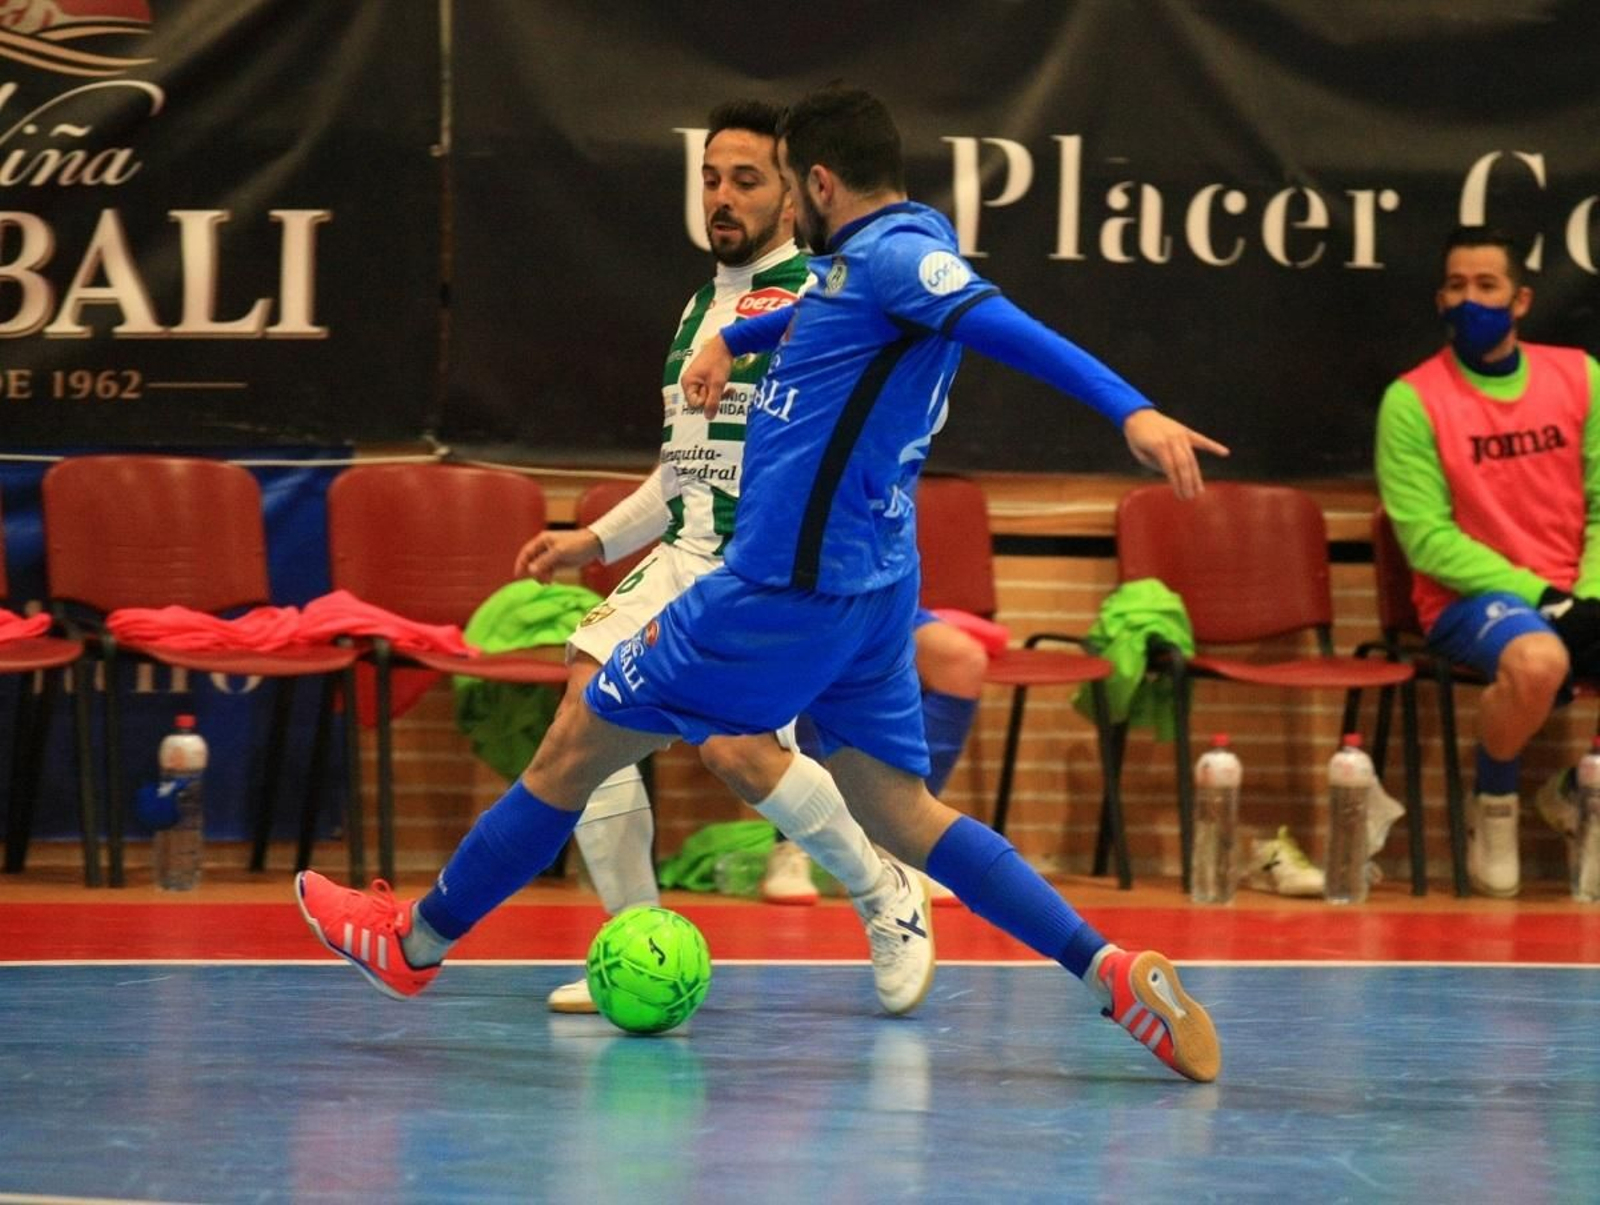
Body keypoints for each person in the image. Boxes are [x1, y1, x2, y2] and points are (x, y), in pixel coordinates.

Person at [296, 86, 1227, 1082]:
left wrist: (1132, 411)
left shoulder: (901, 260)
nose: (779, 202)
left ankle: (415, 943)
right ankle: (1108, 971)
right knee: (904, 814)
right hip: (869, 594)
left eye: (783, 183)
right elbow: (824, 309)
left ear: (817, 183)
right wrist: (729, 339)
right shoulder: (863, 258)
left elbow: (1006, 326)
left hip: (779, 590)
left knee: (573, 744)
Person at [512, 98, 979, 1015]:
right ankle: (639, 952)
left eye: (747, 180)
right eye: (711, 179)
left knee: (736, 749)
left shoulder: (832, 290)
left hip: (772, 566)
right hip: (689, 550)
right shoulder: (701, 308)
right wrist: (593, 541)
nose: (723, 198)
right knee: (585, 701)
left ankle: (888, 893)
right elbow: (685, 469)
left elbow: (901, 414)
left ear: (800, 188)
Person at [1376, 224, 1600, 898]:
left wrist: (1589, 594)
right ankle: (1494, 800)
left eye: (1486, 285)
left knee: (1566, 641)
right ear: (1440, 299)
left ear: (1521, 299)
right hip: (1466, 598)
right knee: (1540, 660)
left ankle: (1572, 787)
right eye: (1455, 285)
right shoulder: (1411, 400)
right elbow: (1426, 539)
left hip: (1574, 584)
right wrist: (1547, 597)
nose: (1469, 299)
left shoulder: (1580, 375)